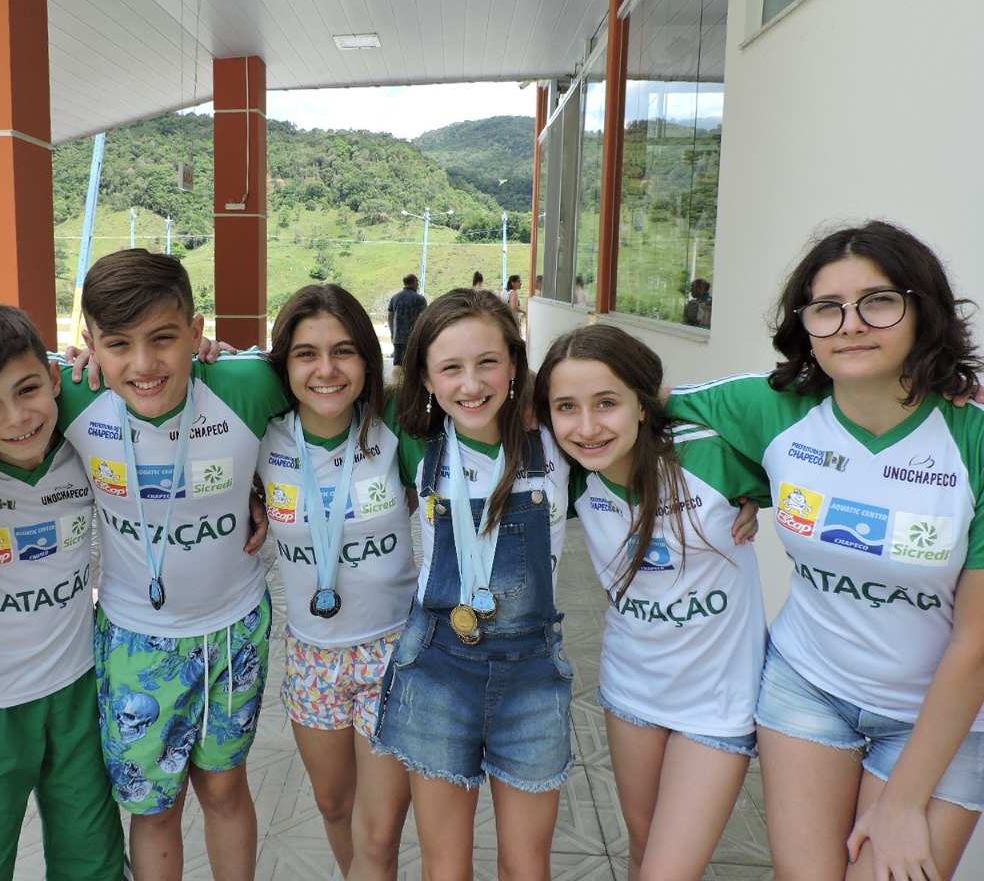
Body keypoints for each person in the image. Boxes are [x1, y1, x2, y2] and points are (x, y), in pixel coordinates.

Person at [666, 221, 984, 880]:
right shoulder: (776, 408)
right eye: (826, 308)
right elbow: (632, 404)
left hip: (940, 719)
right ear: (805, 325)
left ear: (922, 310)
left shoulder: (972, 439)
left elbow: (976, 643)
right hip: (805, 688)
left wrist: (904, 802)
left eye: (878, 301)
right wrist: (743, 484)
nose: (851, 324)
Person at [60, 248, 289, 881]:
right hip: (135, 637)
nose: (143, 364)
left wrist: (265, 487)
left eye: (164, 339)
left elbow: (332, 391)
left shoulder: (244, 385)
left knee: (225, 789)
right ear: (90, 346)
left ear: (195, 331)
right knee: (154, 807)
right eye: (118, 344)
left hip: (234, 631)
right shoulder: (70, 394)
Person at [536, 324, 768, 880]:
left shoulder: (711, 453)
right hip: (630, 691)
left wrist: (754, 500)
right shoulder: (572, 480)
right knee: (642, 850)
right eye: (566, 407)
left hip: (718, 704)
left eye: (607, 403)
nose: (587, 427)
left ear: (644, 405)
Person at [373, 287, 574, 880]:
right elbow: (310, 388)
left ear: (515, 364)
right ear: (425, 377)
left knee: (527, 866)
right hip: (438, 668)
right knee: (445, 866)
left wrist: (742, 495)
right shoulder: (413, 438)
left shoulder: (561, 436)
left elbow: (649, 406)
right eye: (450, 368)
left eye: (488, 362)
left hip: (532, 675)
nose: (471, 384)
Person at [0, 303, 125, 880]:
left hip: (80, 687)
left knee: (92, 857)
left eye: (27, 390)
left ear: (52, 378)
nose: (17, 418)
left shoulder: (84, 442)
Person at [260, 284, 416, 880]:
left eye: (344, 351)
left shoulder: (395, 421)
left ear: (368, 361)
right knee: (333, 804)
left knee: (378, 834)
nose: (326, 370)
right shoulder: (262, 433)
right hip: (311, 655)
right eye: (307, 354)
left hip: (392, 651)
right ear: (284, 363)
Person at [386, 274, 427, 366]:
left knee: (398, 365)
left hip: (398, 338)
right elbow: (425, 319)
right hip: (415, 339)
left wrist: (392, 333)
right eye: (417, 281)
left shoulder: (395, 298)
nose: (418, 284)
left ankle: (397, 376)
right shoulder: (420, 299)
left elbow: (390, 317)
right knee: (413, 365)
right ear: (414, 282)